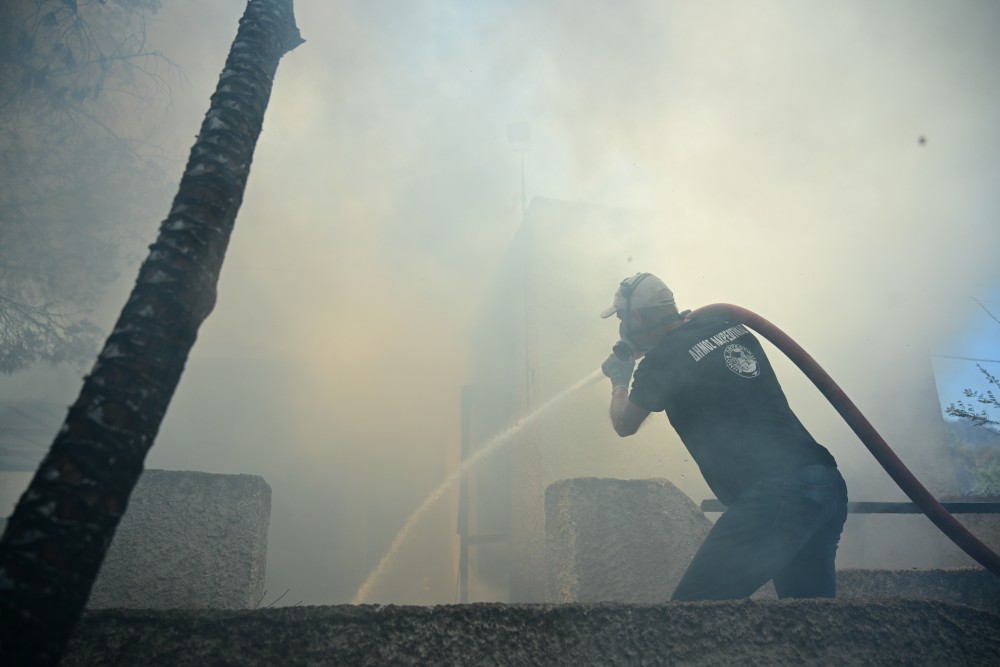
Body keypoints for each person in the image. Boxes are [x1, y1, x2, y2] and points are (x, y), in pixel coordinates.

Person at [599, 272, 848, 600]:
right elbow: (697, 357)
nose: (621, 327)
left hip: (777, 495)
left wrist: (619, 378)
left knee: (693, 613)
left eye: (620, 318)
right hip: (824, 483)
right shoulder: (723, 324)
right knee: (811, 623)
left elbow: (624, 423)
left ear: (634, 316)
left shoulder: (662, 360)